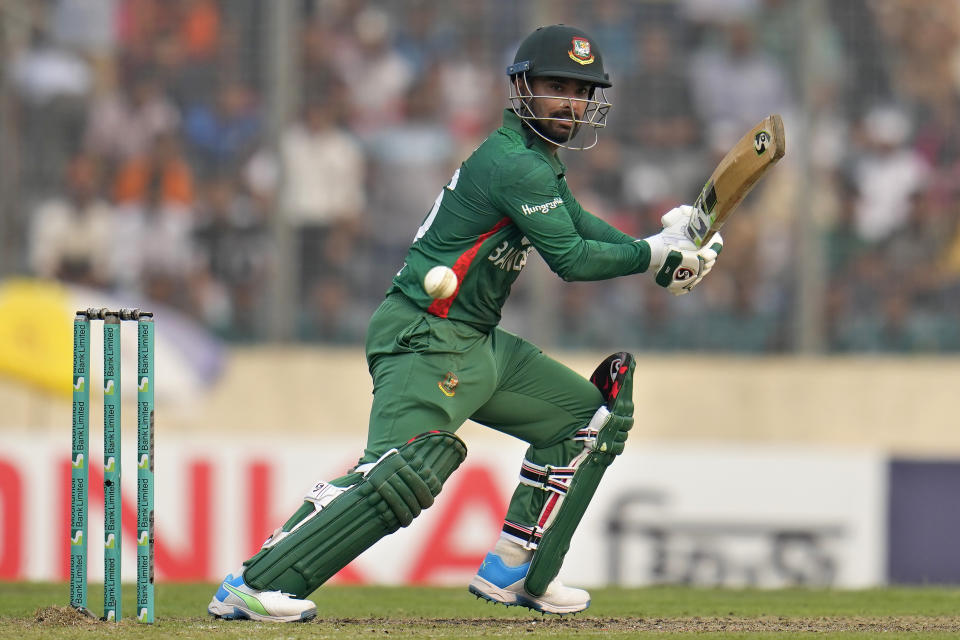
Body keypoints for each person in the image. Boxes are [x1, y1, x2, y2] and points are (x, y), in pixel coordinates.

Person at [207, 24, 723, 623]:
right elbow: (573, 260)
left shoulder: (533, 162)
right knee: (399, 472)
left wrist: (656, 246)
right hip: (425, 335)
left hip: (475, 339)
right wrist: (656, 257)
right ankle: (252, 583)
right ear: (522, 88)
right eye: (556, 86)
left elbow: (578, 223)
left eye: (581, 91)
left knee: (585, 420)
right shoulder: (513, 164)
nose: (570, 103)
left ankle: (515, 570)